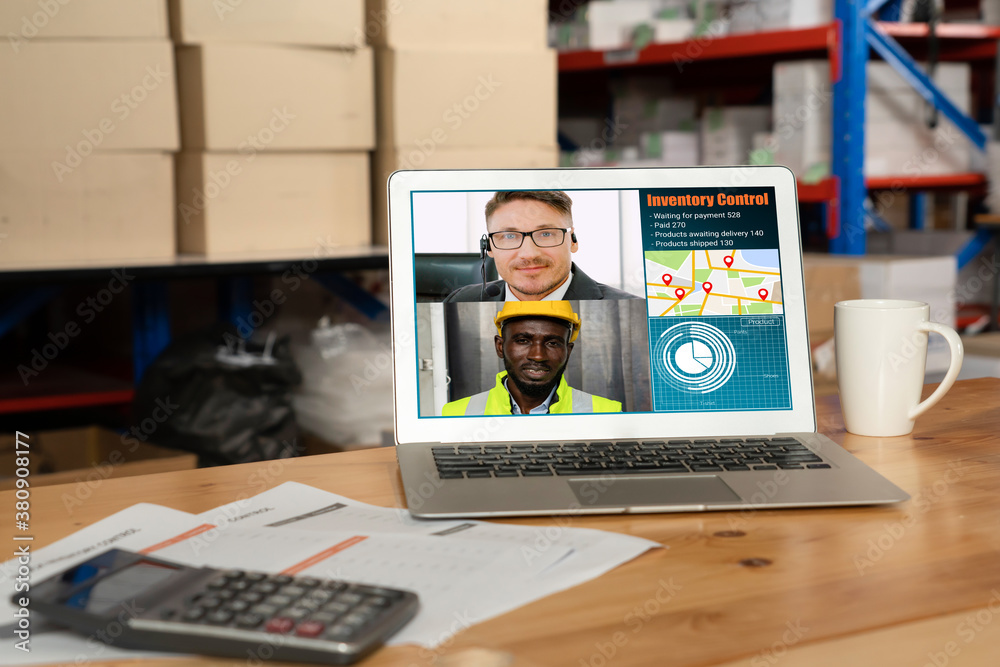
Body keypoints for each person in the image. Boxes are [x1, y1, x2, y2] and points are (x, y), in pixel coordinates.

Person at [442, 190, 640, 302]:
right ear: (489, 247)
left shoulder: (634, 309)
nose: (528, 254)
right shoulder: (459, 302)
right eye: (509, 236)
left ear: (573, 240)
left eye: (546, 234)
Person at [441, 301, 623, 415]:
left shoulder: (606, 412)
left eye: (552, 343)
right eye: (523, 341)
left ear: (568, 350)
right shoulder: (457, 414)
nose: (538, 355)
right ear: (500, 346)